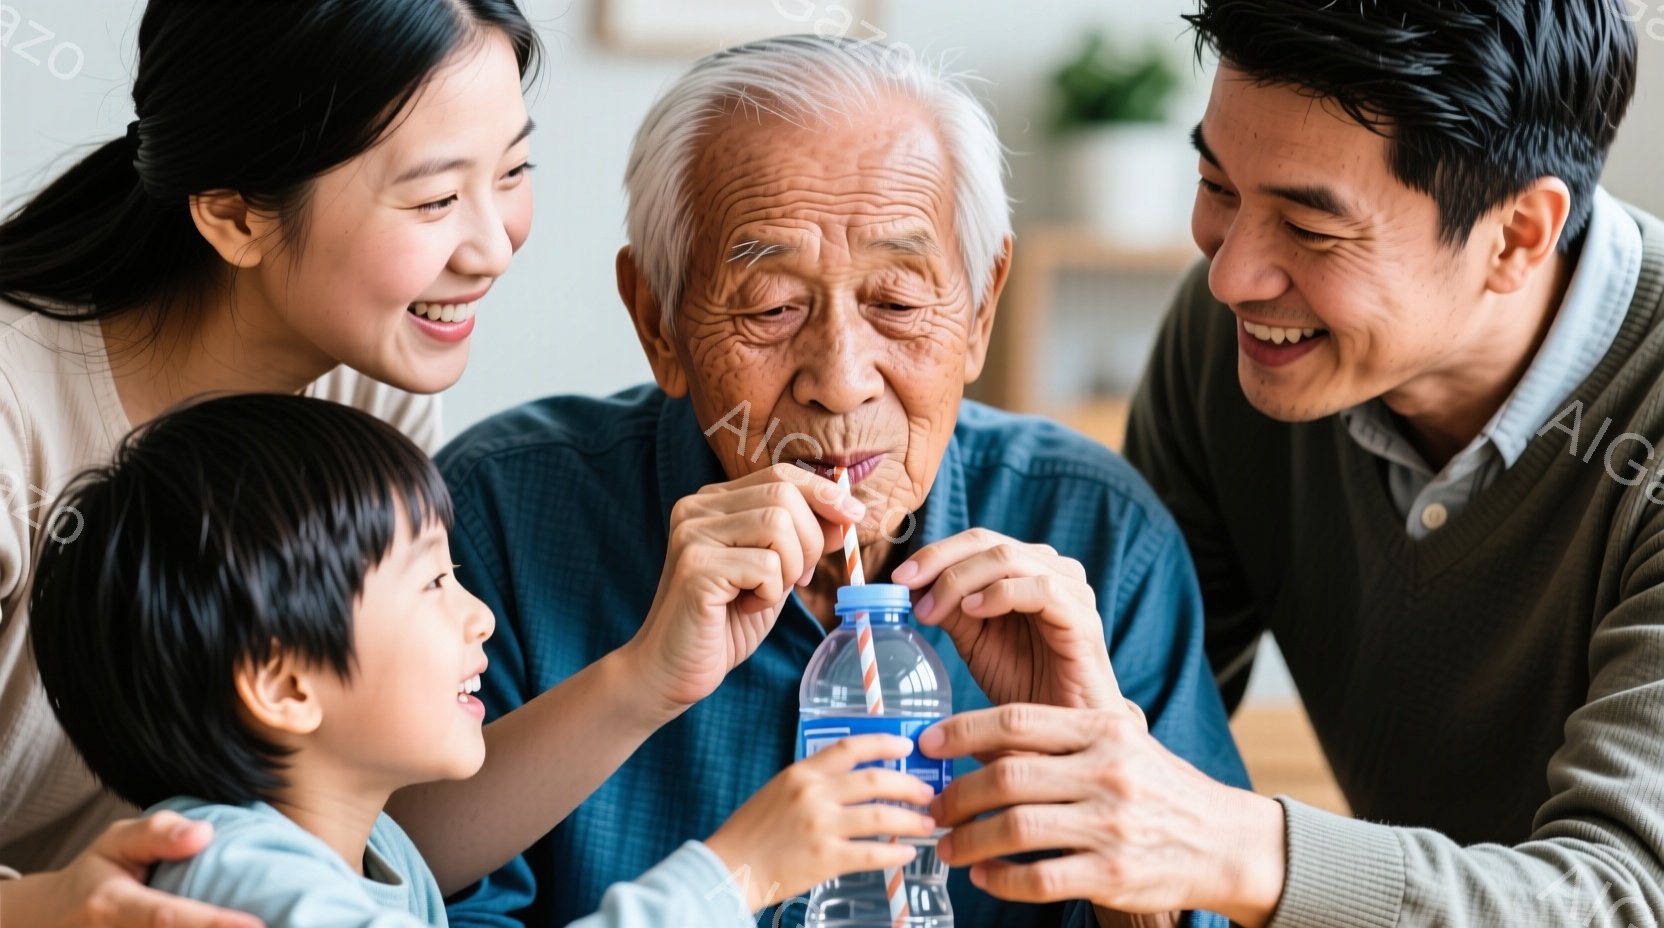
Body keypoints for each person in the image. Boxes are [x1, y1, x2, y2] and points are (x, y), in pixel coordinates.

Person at [436, 35, 1248, 928]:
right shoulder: (498, 519)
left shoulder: (1096, 533)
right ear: (657, 322)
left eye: (897, 303)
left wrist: (1104, 797)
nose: (842, 377)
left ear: (981, 309)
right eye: (772, 308)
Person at [913, 2, 1664, 926]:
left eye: (1310, 229)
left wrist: (1225, 843)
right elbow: (1129, 725)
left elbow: (1621, 897)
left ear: (1515, 235)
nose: (1231, 276)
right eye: (1218, 185)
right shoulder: (1237, 347)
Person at [0, 0, 541, 921]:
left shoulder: (372, 379)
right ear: (235, 215)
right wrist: (48, 908)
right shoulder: (17, 421)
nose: (494, 246)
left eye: (516, 170)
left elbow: (362, 814)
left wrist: (654, 672)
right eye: (437, 198)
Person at [26, 393, 939, 928]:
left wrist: (655, 675)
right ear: (284, 682)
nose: (482, 618)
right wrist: (736, 873)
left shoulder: (370, 849)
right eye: (433, 585)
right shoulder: (236, 875)